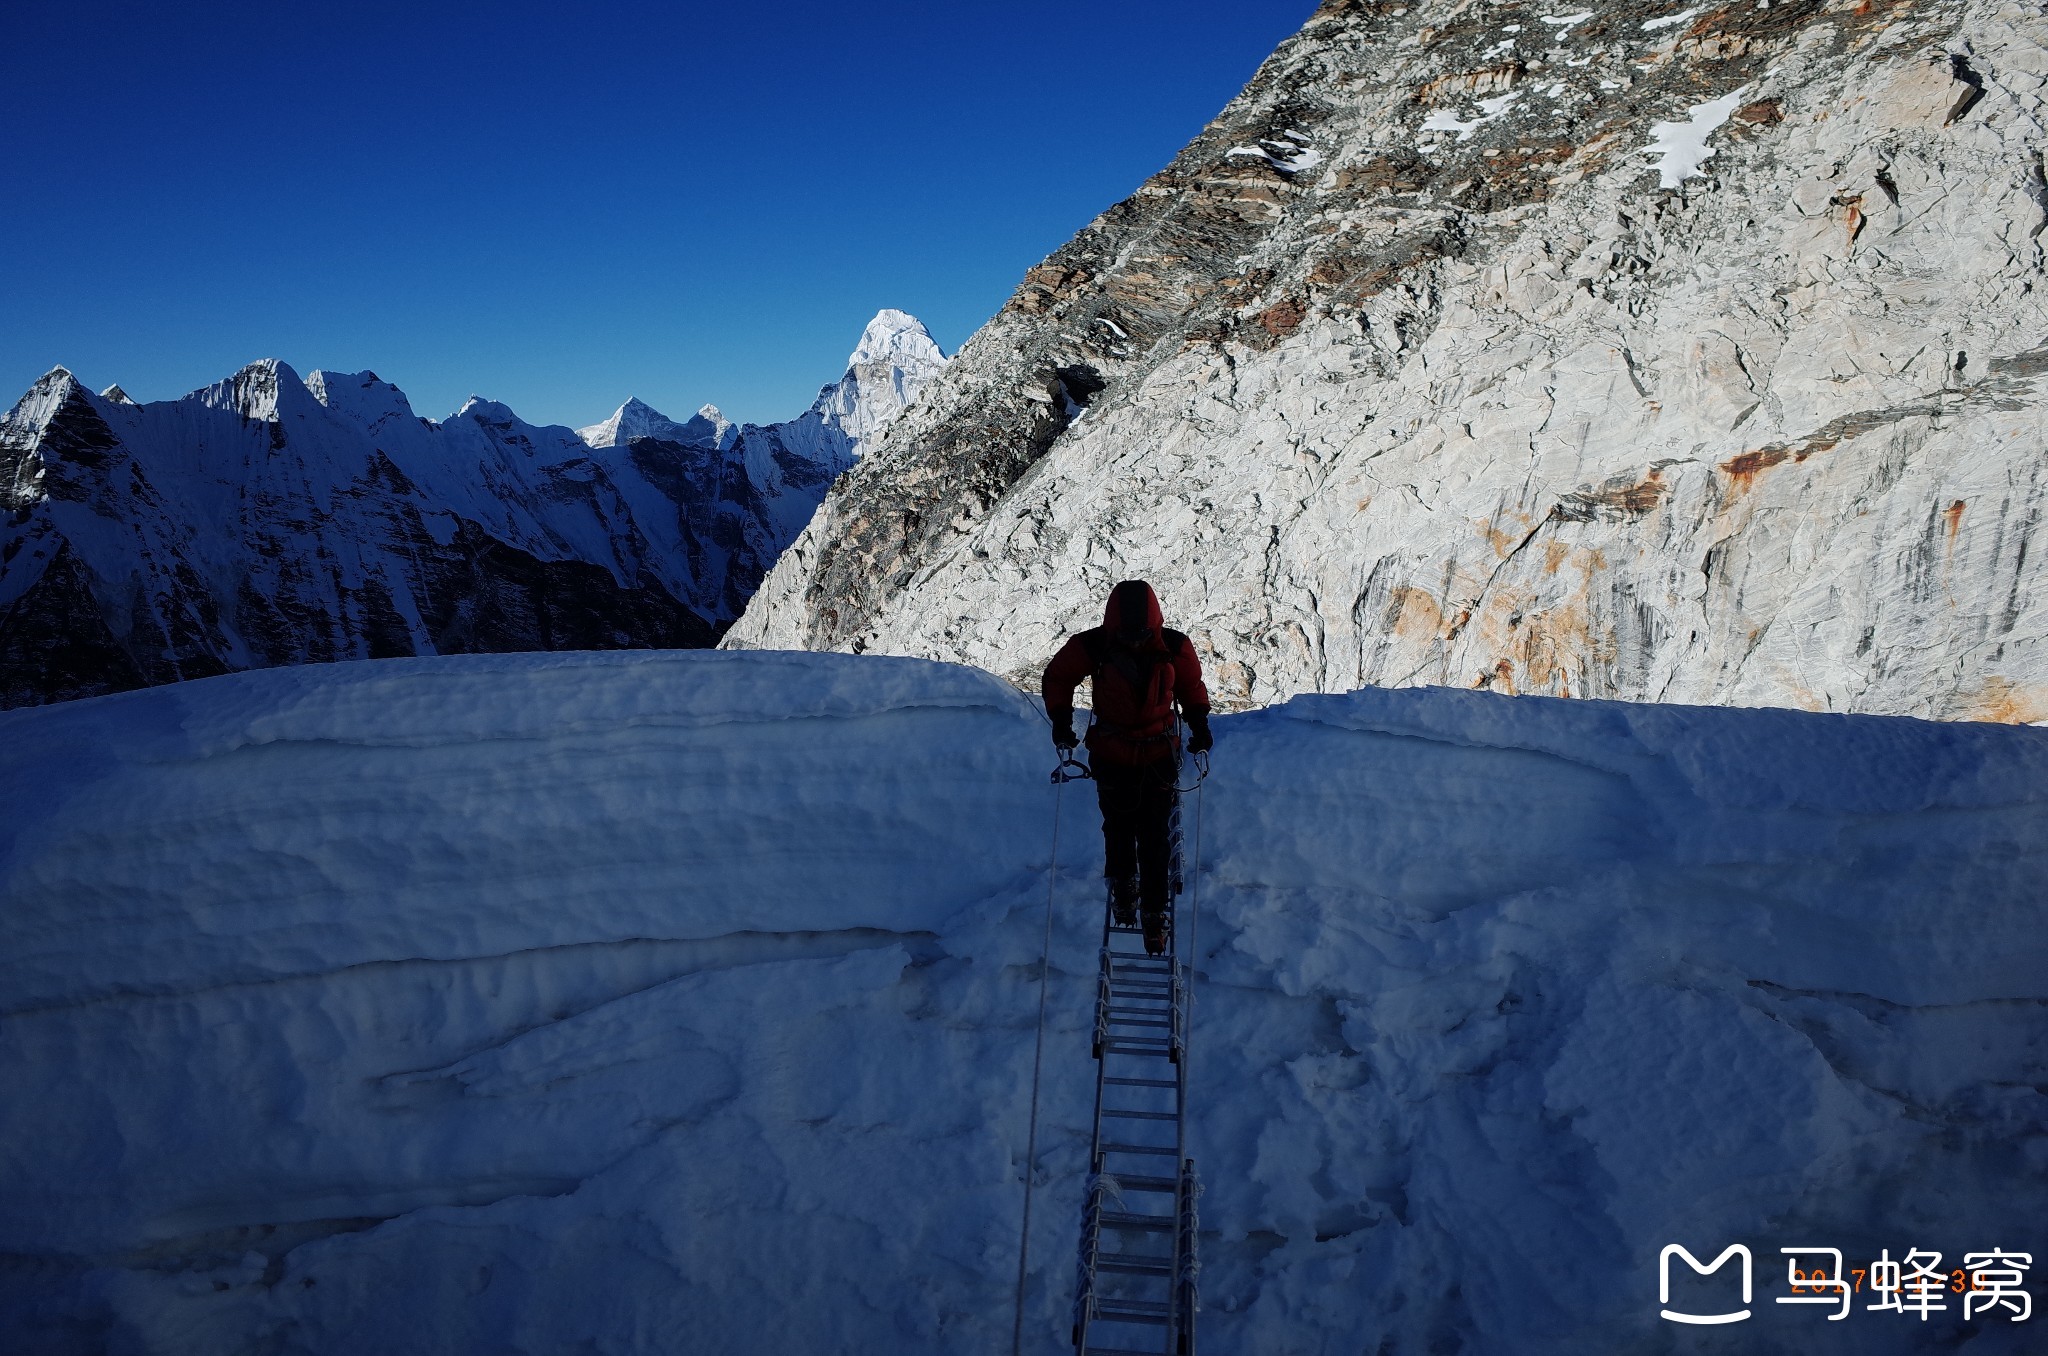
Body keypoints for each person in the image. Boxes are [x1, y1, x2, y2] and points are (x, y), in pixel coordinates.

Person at [1041, 580, 1212, 955]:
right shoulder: (1171, 645)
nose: (1134, 640)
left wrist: (1062, 723)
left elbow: (1059, 677)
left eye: (1140, 633)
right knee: (1136, 831)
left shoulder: (1098, 644)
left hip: (1121, 752)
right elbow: (1190, 688)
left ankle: (1137, 898)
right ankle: (1146, 905)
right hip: (1148, 752)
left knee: (1135, 831)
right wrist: (1198, 728)